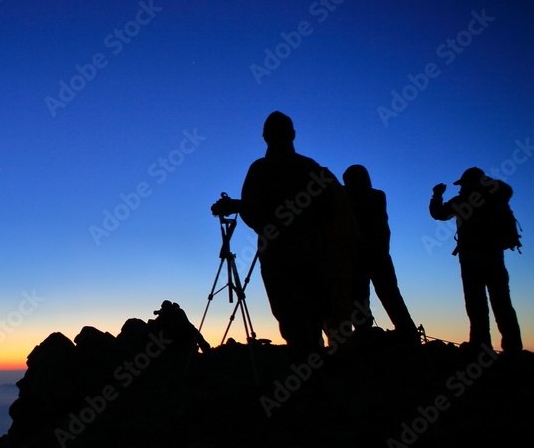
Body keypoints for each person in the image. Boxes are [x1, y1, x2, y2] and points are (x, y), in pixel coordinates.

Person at [212, 112, 335, 357]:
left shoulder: (262, 168)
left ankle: (308, 365)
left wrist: (243, 210)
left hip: (282, 254)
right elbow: (330, 208)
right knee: (315, 310)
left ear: (264, 137)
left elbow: (253, 210)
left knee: (292, 313)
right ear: (292, 134)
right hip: (310, 252)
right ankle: (324, 365)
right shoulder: (310, 167)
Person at [429, 167, 522, 352]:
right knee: (502, 304)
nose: (460, 187)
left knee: (476, 305)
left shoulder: (464, 200)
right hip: (495, 258)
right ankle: (513, 349)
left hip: (471, 260)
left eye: (463, 183)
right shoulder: (496, 197)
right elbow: (507, 190)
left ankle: (480, 345)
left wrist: (437, 195)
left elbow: (438, 213)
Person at [343, 165, 420, 342]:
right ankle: (407, 332)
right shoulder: (377, 195)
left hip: (361, 256)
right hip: (379, 255)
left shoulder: (352, 196)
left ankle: (366, 333)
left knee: (360, 296)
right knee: (388, 294)